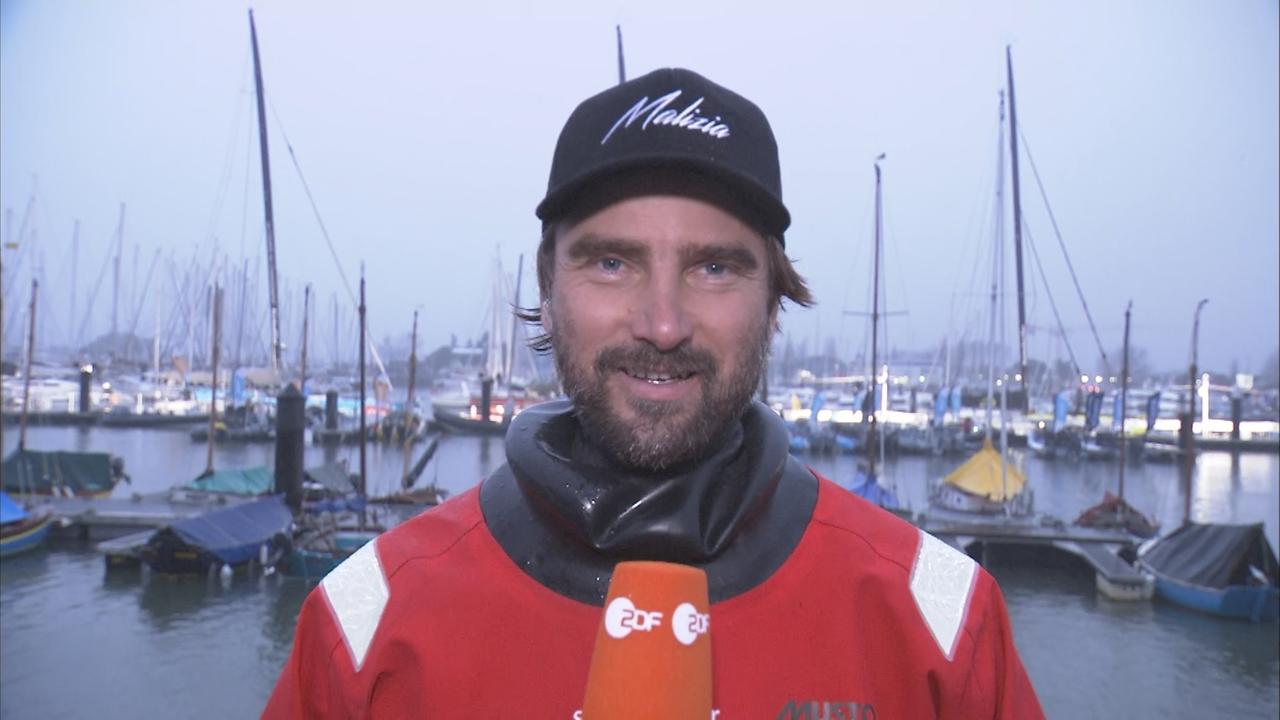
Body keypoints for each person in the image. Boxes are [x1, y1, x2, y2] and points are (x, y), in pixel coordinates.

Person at [264, 67, 1044, 719]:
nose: (663, 324)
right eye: (612, 263)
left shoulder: (943, 624)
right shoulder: (365, 627)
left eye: (715, 267)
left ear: (773, 301)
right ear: (547, 289)